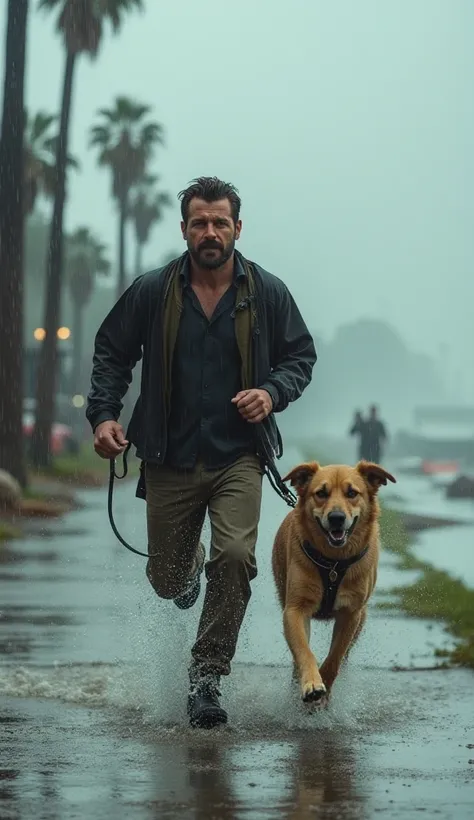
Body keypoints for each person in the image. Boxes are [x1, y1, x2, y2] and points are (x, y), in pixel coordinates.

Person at [86, 177, 317, 729]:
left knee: (235, 558)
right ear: (184, 228)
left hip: (239, 455)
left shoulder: (267, 293)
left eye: (220, 222)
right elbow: (111, 354)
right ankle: (186, 570)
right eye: (199, 222)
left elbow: (300, 356)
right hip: (168, 455)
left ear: (237, 228)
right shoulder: (151, 291)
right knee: (168, 581)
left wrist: (272, 391)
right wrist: (104, 416)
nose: (209, 232)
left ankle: (207, 678)